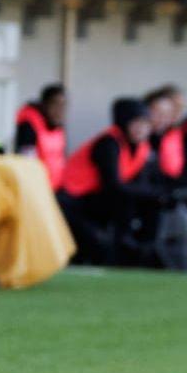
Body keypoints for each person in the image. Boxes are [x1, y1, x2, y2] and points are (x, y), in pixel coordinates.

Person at [59, 98, 154, 264]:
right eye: (136, 123)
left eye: (145, 124)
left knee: (148, 203)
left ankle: (140, 249)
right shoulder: (108, 143)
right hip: (73, 201)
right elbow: (113, 185)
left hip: (96, 199)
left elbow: (139, 184)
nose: (141, 129)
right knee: (99, 244)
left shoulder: (141, 147)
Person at [14, 85, 67, 190]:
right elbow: (26, 164)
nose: (59, 111)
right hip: (36, 191)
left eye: (62, 105)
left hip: (55, 188)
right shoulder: (28, 127)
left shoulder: (57, 127)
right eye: (55, 104)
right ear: (44, 104)